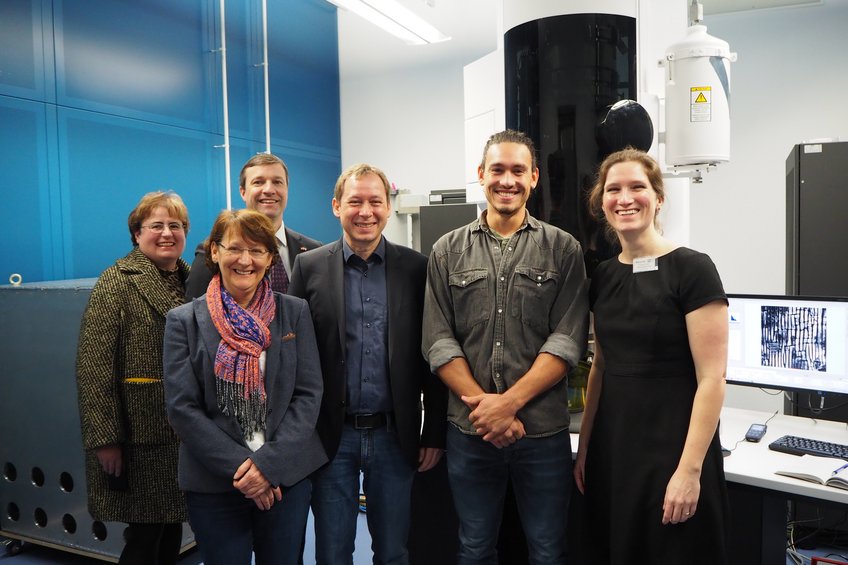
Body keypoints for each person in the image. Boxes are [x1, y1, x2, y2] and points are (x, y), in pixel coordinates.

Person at [422, 129, 589, 564]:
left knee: (548, 551)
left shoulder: (563, 249)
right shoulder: (446, 251)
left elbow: (567, 339)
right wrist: (487, 410)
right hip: (470, 432)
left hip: (542, 435)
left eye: (518, 170)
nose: (507, 180)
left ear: (534, 178)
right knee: (474, 549)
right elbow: (438, 340)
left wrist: (509, 404)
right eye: (497, 170)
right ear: (481, 175)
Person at [573, 148, 730, 564]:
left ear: (658, 198)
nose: (625, 198)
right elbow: (601, 366)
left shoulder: (693, 270)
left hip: (673, 450)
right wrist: (586, 447)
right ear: (601, 202)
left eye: (637, 187)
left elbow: (713, 378)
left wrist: (690, 471)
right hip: (616, 448)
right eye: (614, 189)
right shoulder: (603, 276)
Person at [289, 163, 448, 565]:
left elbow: (433, 352)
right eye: (355, 201)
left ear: (388, 207)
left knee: (394, 551)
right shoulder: (309, 268)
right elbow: (293, 357)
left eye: (375, 201)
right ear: (336, 206)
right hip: (331, 437)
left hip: (395, 436)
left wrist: (434, 432)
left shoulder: (416, 268)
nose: (365, 211)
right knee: (332, 550)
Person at [163, 209, 326, 565]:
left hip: (285, 477)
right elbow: (182, 407)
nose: (245, 260)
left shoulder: (294, 312)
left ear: (270, 258)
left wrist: (268, 465)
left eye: (257, 251)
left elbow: (308, 394)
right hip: (214, 482)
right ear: (215, 253)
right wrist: (245, 469)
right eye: (235, 248)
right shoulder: (183, 321)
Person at [75, 191, 190, 565]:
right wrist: (106, 440)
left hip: (184, 435)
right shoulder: (117, 280)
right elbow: (94, 367)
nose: (167, 233)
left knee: (171, 527)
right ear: (136, 234)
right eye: (156, 225)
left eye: (175, 225)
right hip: (138, 440)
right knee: (143, 538)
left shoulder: (195, 281)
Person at [184, 153, 321, 300]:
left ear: (287, 190)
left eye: (277, 182)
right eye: (258, 182)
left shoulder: (313, 250)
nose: (269, 189)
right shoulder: (216, 250)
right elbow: (195, 313)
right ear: (243, 192)